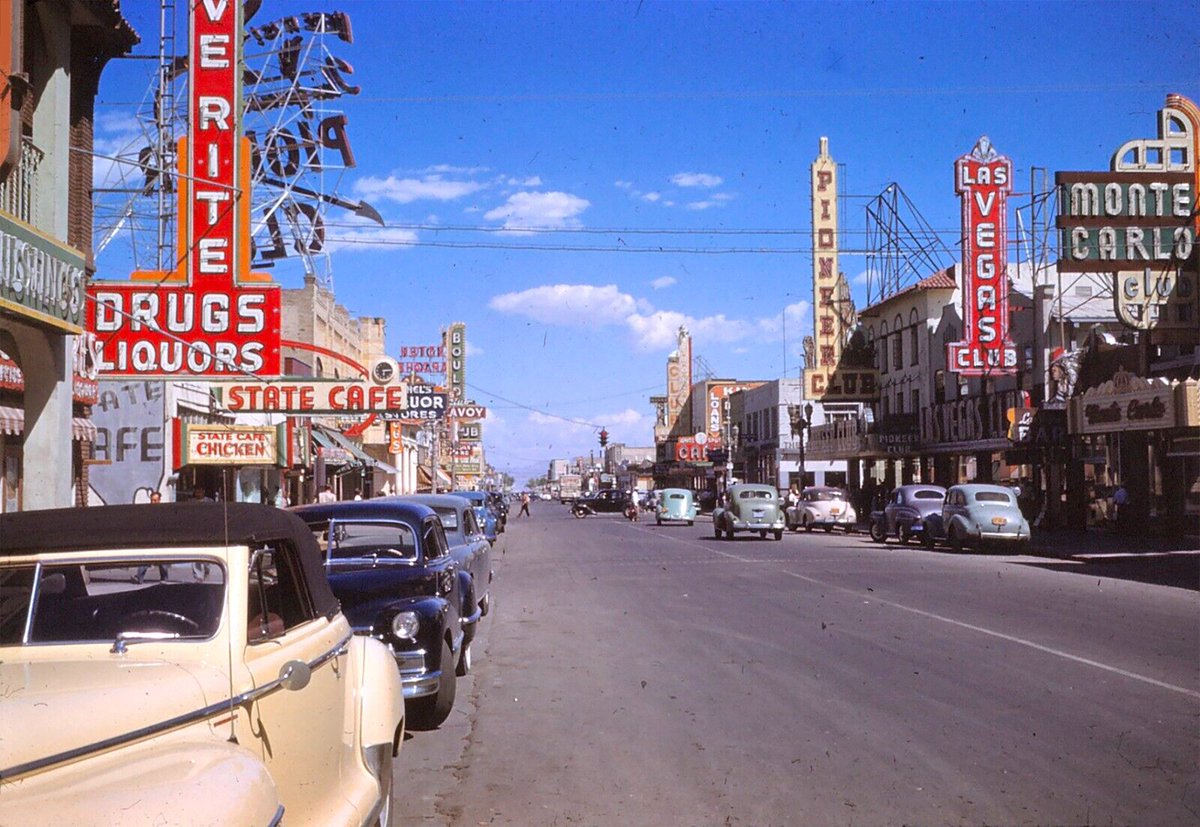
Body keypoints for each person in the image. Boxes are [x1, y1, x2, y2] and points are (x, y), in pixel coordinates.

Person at [134, 491, 168, 583]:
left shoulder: (163, 512)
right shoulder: (148, 511)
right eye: (152, 500)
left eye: (156, 500)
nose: (154, 502)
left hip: (161, 538)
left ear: (159, 500)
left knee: (163, 559)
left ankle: (164, 578)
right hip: (150, 538)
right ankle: (139, 577)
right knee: (146, 557)